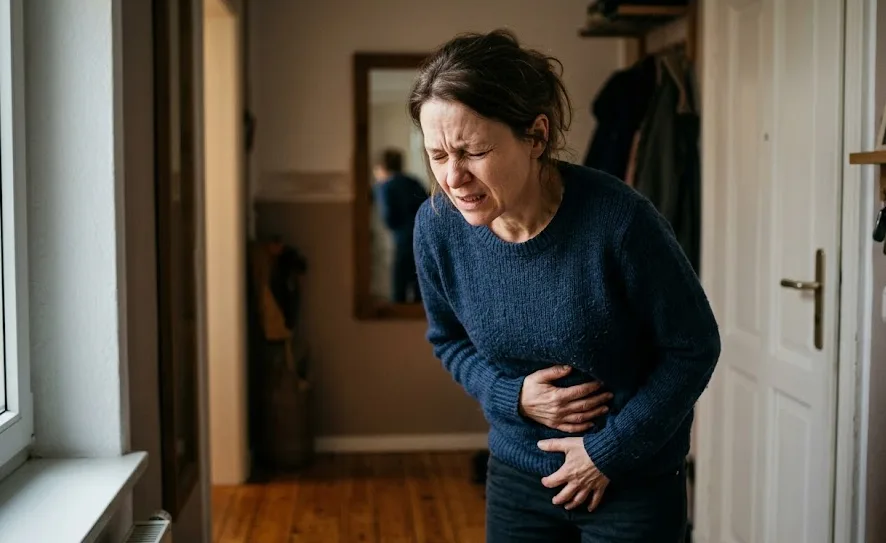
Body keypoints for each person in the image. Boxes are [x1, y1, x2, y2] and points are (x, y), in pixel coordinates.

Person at [409, 29, 721, 543]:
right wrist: (511, 396)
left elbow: (693, 347)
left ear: (536, 136)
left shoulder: (619, 222)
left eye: (473, 151)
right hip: (518, 479)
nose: (454, 177)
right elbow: (448, 339)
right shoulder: (436, 227)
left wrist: (608, 452)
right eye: (437, 155)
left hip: (631, 481)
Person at [371, 148, 428, 303]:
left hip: (402, 240)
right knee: (420, 289)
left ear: (381, 167)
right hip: (422, 238)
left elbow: (388, 217)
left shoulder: (384, 187)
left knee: (399, 290)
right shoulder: (414, 182)